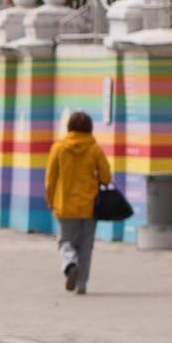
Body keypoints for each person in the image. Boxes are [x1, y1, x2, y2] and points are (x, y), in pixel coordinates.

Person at [46, 110, 110, 295]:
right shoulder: (95, 149)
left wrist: (50, 200)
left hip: (65, 205)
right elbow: (106, 177)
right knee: (86, 245)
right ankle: (81, 286)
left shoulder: (58, 148)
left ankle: (70, 262)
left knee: (65, 241)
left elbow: (50, 179)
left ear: (69, 127)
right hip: (90, 206)